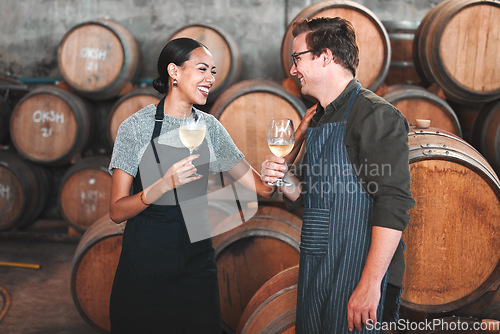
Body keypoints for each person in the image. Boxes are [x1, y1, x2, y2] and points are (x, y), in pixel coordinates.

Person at [108, 37, 273, 333]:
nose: (210, 79)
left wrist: (289, 148)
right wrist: (162, 185)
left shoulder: (210, 127)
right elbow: (117, 211)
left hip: (197, 266)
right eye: (202, 69)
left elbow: (262, 189)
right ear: (174, 72)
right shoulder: (137, 127)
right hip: (146, 266)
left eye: (213, 71)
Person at [261, 17, 416, 333]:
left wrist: (370, 284)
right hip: (317, 269)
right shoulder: (318, 118)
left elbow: (394, 204)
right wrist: (282, 178)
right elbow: (308, 197)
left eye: (297, 58)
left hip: (357, 271)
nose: (292, 70)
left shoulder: (375, 115)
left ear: (325, 56)